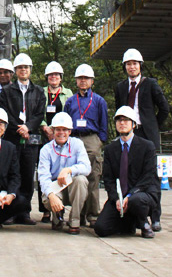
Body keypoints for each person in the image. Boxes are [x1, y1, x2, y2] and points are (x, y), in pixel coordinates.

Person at [115, 48, 169, 232]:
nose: (131, 67)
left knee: (152, 176)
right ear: (125, 67)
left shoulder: (151, 84)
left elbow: (164, 109)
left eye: (135, 63)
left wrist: (152, 126)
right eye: (128, 64)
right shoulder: (121, 87)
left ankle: (155, 217)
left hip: (147, 134)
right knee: (129, 174)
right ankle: (136, 217)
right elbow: (119, 112)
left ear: (140, 66)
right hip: (129, 134)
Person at [94, 106, 158, 238]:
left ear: (134, 124)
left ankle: (143, 223)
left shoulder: (147, 146)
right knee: (101, 228)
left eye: (126, 120)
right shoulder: (111, 149)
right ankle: (129, 223)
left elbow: (148, 176)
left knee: (136, 200)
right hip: (120, 197)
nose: (122, 123)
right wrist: (116, 198)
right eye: (119, 120)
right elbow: (108, 179)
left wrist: (129, 196)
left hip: (142, 194)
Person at [0, 53, 46, 225]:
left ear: (30, 70)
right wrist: (19, 128)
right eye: (20, 68)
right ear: (15, 71)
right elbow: (4, 113)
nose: (23, 70)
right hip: (12, 137)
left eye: (25, 67)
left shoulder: (39, 91)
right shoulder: (6, 91)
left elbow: (40, 113)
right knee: (12, 173)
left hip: (31, 139)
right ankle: (10, 211)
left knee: (27, 175)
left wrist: (29, 127)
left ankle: (24, 211)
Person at [64, 64, 108, 228]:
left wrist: (99, 142)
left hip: (91, 139)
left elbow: (104, 124)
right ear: (76, 81)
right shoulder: (70, 102)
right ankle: (79, 213)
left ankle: (93, 214)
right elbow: (66, 122)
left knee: (93, 178)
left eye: (86, 78)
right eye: (80, 78)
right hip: (74, 139)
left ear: (92, 81)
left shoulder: (98, 101)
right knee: (77, 178)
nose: (83, 81)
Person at [39, 112, 91, 234]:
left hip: (72, 187)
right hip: (56, 188)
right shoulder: (46, 150)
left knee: (81, 180)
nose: (61, 133)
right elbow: (43, 177)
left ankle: (74, 220)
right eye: (58, 129)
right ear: (52, 130)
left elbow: (86, 167)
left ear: (70, 132)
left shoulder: (77, 144)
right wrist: (52, 196)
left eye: (65, 129)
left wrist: (69, 170)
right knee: (47, 196)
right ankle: (57, 215)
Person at [38, 61, 73, 223]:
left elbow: (71, 113)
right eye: (51, 75)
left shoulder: (68, 93)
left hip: (62, 136)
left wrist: (61, 132)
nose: (54, 77)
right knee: (44, 171)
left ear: (61, 77)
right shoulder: (41, 93)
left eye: (56, 75)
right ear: (47, 77)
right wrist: (46, 128)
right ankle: (46, 209)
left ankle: (60, 205)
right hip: (44, 136)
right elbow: (37, 112)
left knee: (59, 170)